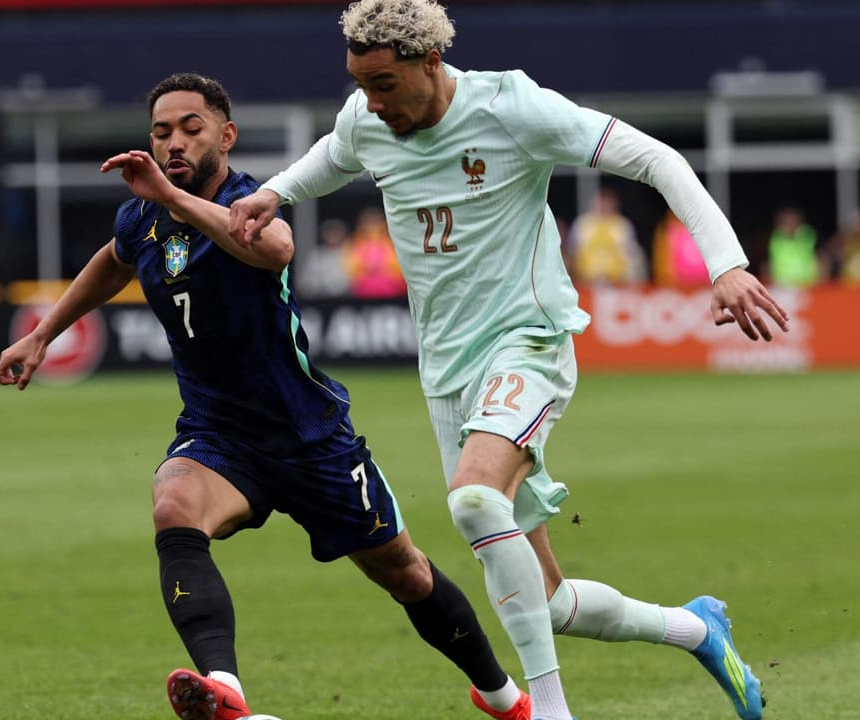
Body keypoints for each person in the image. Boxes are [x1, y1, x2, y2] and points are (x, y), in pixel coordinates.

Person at [222, 3, 791, 719]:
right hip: (447, 375)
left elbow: (657, 159)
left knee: (473, 499)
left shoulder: (510, 107)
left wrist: (726, 264)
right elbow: (334, 156)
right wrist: (273, 193)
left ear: (431, 62)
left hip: (528, 341)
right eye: (361, 85)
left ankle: (550, 710)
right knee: (547, 603)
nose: (373, 102)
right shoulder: (368, 118)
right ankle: (698, 628)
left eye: (385, 84)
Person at [0, 73, 528, 720]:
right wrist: (42, 334)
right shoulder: (142, 218)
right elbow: (115, 259)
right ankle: (226, 692)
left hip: (309, 436)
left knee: (405, 572)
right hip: (219, 434)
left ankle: (504, 699)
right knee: (173, 505)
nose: (173, 142)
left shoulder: (248, 199)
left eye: (191, 128)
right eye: (161, 132)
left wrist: (171, 196)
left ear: (226, 136)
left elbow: (275, 249)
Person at [567, 188, 646, 285]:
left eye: (607, 204)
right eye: (601, 204)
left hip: (618, 282)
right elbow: (572, 253)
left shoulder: (622, 225)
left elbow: (633, 256)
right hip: (586, 282)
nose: (603, 207)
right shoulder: (582, 224)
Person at [766, 207, 821, 288]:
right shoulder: (776, 238)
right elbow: (771, 263)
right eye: (785, 221)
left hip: (807, 285)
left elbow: (820, 259)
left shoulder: (808, 235)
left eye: (792, 220)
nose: (789, 223)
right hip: (782, 285)